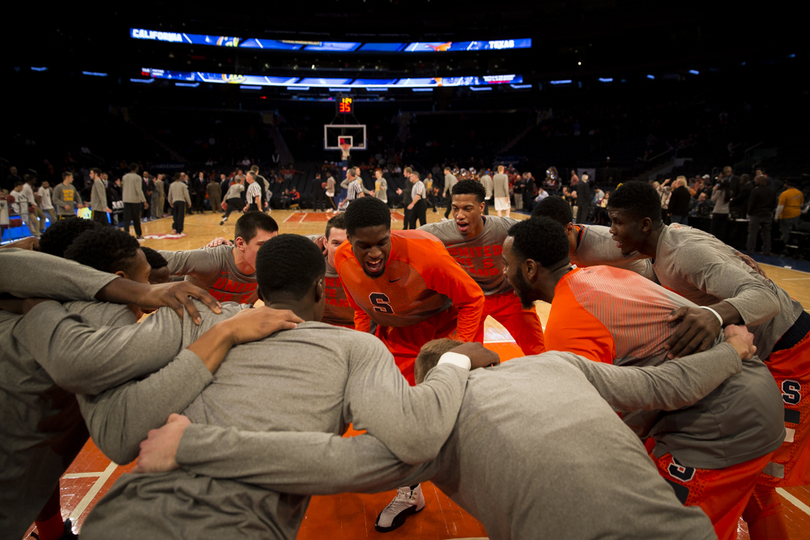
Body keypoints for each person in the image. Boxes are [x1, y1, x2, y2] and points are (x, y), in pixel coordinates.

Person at [132, 331, 761, 540]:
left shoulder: (431, 428)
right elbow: (665, 385)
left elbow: (333, 463)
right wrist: (732, 348)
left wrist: (190, 443)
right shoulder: (556, 364)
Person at [64, 234, 488, 540]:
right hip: (237, 525)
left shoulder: (197, 316)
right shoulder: (357, 347)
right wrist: (453, 361)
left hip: (123, 511)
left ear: (260, 290)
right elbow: (416, 438)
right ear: (321, 289)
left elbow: (95, 381)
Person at [504, 216, 783, 540]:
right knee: (754, 498)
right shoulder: (601, 274)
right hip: (754, 398)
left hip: (723, 416)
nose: (503, 273)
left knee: (651, 527)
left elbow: (643, 398)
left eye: (505, 264)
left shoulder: (568, 325)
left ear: (529, 270)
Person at [606, 181, 810, 539]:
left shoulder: (685, 253)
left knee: (760, 479)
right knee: (748, 480)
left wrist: (716, 315)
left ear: (645, 225)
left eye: (617, 222)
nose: (611, 231)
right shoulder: (660, 248)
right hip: (755, 355)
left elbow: (765, 297)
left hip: (792, 352)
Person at [0, 234, 223, 540]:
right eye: (148, 279)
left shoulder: (29, 298)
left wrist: (28, 301)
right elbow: (117, 435)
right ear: (119, 278)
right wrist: (225, 334)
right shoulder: (105, 317)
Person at [335, 196, 484, 531]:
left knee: (464, 415)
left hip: (445, 330)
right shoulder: (342, 259)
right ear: (349, 241)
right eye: (364, 246)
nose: (374, 253)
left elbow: (473, 298)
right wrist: (364, 348)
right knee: (396, 418)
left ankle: (487, 484)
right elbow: (362, 309)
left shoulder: (426, 257)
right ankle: (410, 492)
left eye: (381, 243)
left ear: (391, 234)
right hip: (399, 336)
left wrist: (457, 349)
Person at [420, 180, 545, 355]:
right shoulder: (439, 232)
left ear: (481, 207)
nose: (459, 215)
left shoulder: (504, 228)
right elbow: (403, 241)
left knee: (538, 350)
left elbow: (545, 234)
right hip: (471, 299)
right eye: (455, 208)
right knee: (465, 355)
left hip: (509, 295)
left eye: (467, 208)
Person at [159, 212, 278, 304]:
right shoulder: (211, 259)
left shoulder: (270, 271)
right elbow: (148, 257)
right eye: (262, 245)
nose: (271, 252)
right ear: (241, 244)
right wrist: (147, 293)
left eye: (273, 244)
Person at [532, 195, 654, 278]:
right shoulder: (555, 242)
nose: (546, 245)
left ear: (569, 229)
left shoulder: (609, 242)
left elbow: (659, 247)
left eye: (550, 238)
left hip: (643, 291)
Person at [775, 179, 804, 251]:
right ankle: (795, 248)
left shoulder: (784, 194)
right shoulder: (799, 193)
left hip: (786, 216)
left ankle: (785, 249)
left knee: (786, 233)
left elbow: (780, 207)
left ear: (786, 184)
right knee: (795, 233)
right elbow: (801, 204)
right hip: (797, 215)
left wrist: (776, 216)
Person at [121, 163, 147, 239]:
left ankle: (126, 235)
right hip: (135, 200)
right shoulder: (138, 177)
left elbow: (123, 188)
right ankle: (138, 235)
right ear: (136, 168)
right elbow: (138, 190)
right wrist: (144, 201)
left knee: (126, 219)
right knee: (136, 218)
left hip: (126, 200)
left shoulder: (124, 177)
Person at [710, 176, 731, 243]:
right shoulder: (729, 192)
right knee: (722, 229)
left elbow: (712, 199)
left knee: (714, 229)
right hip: (725, 212)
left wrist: (714, 190)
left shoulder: (719, 192)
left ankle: (714, 242)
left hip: (717, 212)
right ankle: (721, 242)